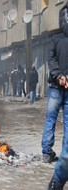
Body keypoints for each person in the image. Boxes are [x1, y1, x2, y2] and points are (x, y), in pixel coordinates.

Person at [47, 4, 68, 189]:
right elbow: (52, 60)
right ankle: (48, 152)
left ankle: (54, 153)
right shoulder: (56, 39)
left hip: (59, 84)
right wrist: (60, 76)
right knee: (51, 119)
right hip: (56, 86)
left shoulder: (56, 38)